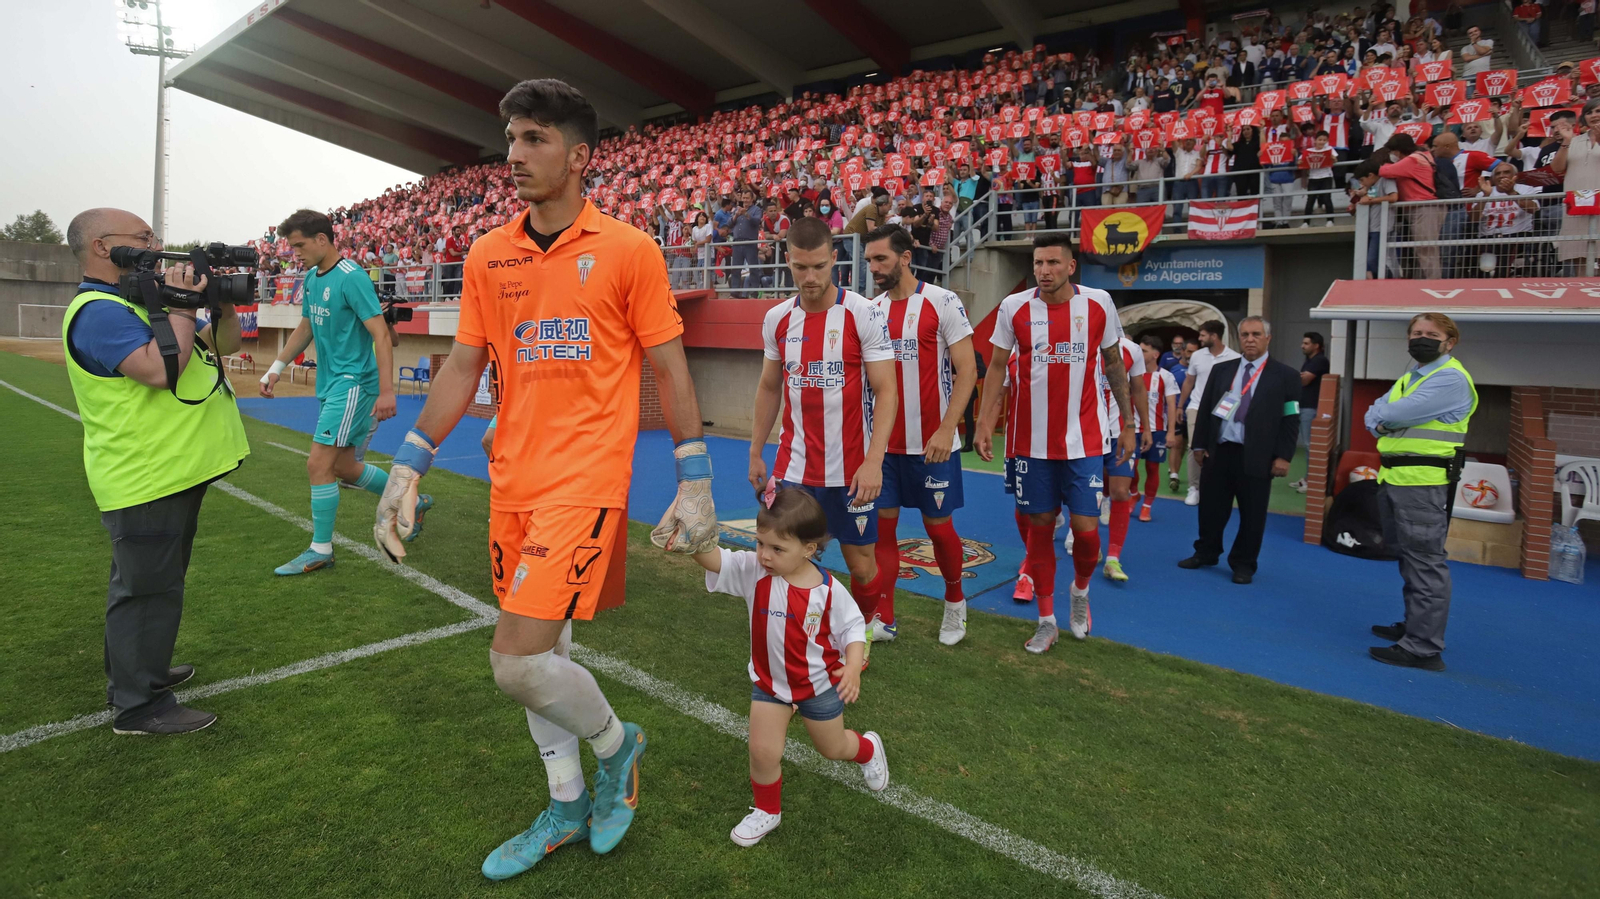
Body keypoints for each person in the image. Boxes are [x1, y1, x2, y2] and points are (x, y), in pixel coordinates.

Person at [371, 79, 720, 881]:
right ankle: (567, 801)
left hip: (585, 482)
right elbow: (466, 362)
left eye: (533, 139)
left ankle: (616, 743)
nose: (515, 155)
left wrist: (694, 477)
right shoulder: (491, 252)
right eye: (511, 139)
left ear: (578, 155)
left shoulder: (629, 249)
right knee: (549, 653)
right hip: (512, 481)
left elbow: (668, 363)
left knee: (516, 661)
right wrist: (410, 460)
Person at [61, 207, 251, 735]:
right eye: (143, 236)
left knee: (156, 583)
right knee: (145, 589)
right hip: (145, 474)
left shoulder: (134, 302)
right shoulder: (98, 310)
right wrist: (183, 305)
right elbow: (159, 370)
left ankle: (142, 669)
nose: (156, 243)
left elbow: (223, 348)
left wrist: (220, 307)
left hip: (168, 471)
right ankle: (137, 706)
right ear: (103, 247)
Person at [690, 488, 887, 846]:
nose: (764, 555)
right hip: (770, 686)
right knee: (762, 752)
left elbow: (854, 628)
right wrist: (691, 537)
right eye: (760, 543)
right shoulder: (755, 572)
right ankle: (767, 811)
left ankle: (868, 749)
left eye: (777, 549)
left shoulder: (828, 591)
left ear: (809, 549)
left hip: (819, 688)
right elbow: (715, 560)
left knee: (833, 749)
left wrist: (854, 666)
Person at [973, 234, 1137, 652]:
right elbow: (995, 368)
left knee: (1085, 534)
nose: (1043, 271)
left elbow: (1115, 364)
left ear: (1070, 266)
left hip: (1083, 441)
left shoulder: (1098, 303)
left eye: (1051, 263)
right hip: (1030, 445)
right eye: (1038, 263)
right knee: (1040, 531)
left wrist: (1130, 423)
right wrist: (983, 420)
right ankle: (1047, 620)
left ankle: (1080, 592)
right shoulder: (1015, 307)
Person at [749, 216, 899, 643]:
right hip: (795, 469)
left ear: (834, 258)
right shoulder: (777, 318)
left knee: (861, 565)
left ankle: (864, 633)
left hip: (852, 471)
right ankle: (798, 636)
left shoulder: (863, 314)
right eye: (800, 267)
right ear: (788, 261)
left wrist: (874, 463)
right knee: (786, 558)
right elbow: (768, 385)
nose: (810, 277)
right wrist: (756, 451)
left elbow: (887, 392)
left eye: (818, 266)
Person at [259, 209, 420, 576]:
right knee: (346, 466)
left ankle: (321, 548)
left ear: (322, 240)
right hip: (331, 384)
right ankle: (412, 498)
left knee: (318, 464)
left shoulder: (352, 278)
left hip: (352, 384)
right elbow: (307, 325)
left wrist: (386, 391)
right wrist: (276, 368)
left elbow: (381, 334)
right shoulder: (313, 278)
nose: (294, 253)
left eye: (299, 245)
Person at [864, 225, 978, 646]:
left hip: (933, 445)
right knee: (884, 532)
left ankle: (954, 603)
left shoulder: (942, 301)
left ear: (906, 257)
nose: (874, 268)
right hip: (884, 449)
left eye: (881, 259)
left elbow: (968, 369)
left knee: (939, 528)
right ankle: (885, 618)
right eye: (870, 261)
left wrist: (948, 430)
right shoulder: (870, 310)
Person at [1363, 312, 1476, 670]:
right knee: (1409, 559)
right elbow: (1375, 413)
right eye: (1416, 332)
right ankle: (1414, 627)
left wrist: (1385, 417)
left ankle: (1423, 648)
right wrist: (1383, 416)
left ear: (1450, 342)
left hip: (1423, 484)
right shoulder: (1413, 377)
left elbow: (1394, 414)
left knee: (1425, 563)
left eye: (1430, 333)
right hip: (1397, 479)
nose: (1421, 338)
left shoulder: (1450, 379)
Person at [1180, 316, 1301, 584]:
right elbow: (1206, 410)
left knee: (1253, 514)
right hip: (1219, 451)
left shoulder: (1286, 376)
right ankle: (1206, 552)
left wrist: (1283, 456)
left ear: (1268, 338)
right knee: (1211, 508)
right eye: (1245, 334)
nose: (1250, 339)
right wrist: (1198, 444)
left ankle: (1244, 563)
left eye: (1256, 334)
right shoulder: (1222, 370)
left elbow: (1291, 419)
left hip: (1257, 455)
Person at [1098, 333, 1152, 582]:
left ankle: (1113, 558)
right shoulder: (1080, 342)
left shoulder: (1131, 349)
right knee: (1086, 494)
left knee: (1120, 491)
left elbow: (1139, 389)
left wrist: (1145, 428)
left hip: (1121, 434)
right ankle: (1079, 537)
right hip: (1086, 436)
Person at [1177, 320, 1239, 505]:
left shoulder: (1234, 358)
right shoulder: (1196, 356)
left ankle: (1212, 486)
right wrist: (1180, 406)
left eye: (1203, 335)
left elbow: (1235, 389)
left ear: (1214, 336)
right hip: (1196, 407)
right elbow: (1189, 382)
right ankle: (1193, 488)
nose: (1200, 338)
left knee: (1217, 448)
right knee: (1194, 446)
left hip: (1223, 410)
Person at [1552, 99, 1600, 275]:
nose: (1594, 115)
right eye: (1589, 112)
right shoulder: (1574, 141)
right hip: (1577, 206)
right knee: (1579, 256)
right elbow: (1557, 168)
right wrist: (1566, 141)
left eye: (1598, 111)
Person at [1136, 333, 1179, 521]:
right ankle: (1133, 495)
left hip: (1158, 430)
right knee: (1130, 469)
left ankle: (1146, 506)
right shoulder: (1131, 374)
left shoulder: (1166, 376)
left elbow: (1171, 405)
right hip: (1134, 430)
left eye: (1143, 350)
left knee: (1152, 468)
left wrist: (1171, 433)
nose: (1139, 353)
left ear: (1155, 354)